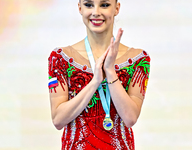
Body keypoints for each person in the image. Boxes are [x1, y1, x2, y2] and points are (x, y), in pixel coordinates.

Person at [48, 0, 150, 149]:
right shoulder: (60, 58)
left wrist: (110, 71)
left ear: (116, 8)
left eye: (104, 5)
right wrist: (95, 81)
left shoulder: (138, 59)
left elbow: (130, 118)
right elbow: (58, 119)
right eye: (89, 5)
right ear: (80, 8)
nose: (96, 12)